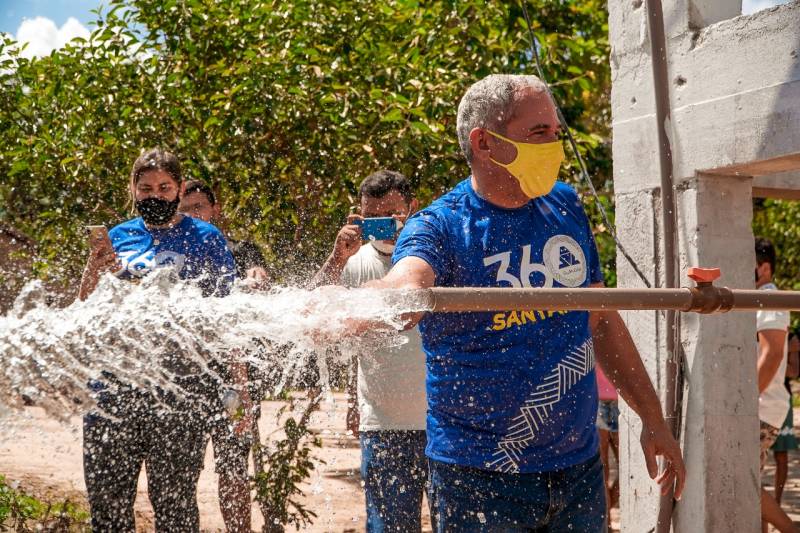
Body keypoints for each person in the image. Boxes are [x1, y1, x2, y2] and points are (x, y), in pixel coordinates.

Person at [356, 74, 684, 531]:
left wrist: (653, 418)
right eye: (538, 133)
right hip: (479, 477)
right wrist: (355, 308)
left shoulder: (564, 205)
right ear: (484, 143)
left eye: (555, 132)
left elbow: (601, 318)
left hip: (578, 469)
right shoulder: (441, 225)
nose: (555, 146)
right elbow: (406, 282)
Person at [78, 148, 235, 532]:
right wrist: (94, 268)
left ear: (180, 189)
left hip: (181, 393)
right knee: (109, 513)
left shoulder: (207, 238)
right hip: (112, 391)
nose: (155, 195)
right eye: (145, 188)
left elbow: (227, 315)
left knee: (175, 511)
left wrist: (235, 383)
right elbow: (84, 309)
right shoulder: (118, 236)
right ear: (132, 189)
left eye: (164, 187)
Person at [312, 170, 430, 531]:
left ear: (413, 208)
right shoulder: (354, 262)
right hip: (382, 423)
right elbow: (317, 316)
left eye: (393, 215)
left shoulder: (435, 253)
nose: (385, 225)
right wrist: (337, 258)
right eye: (373, 217)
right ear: (359, 216)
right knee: (388, 526)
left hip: (444, 419)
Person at [180, 180, 271, 533]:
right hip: (186, 378)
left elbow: (260, 276)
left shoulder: (241, 249)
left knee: (233, 466)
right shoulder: (173, 252)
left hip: (234, 379)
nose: (193, 215)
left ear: (215, 211)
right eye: (185, 210)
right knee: (183, 471)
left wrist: (256, 277)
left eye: (199, 208)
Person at [754, 237, 798, 533]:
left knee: (743, 481)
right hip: (761, 403)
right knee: (751, 479)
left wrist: (744, 401)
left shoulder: (768, 298)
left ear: (764, 268)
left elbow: (772, 354)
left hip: (760, 405)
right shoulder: (759, 298)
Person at [772, 331, 799, 505]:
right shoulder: (754, 332)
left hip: (781, 402)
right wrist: (784, 352)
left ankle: (777, 503)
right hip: (757, 400)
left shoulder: (791, 338)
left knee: (781, 456)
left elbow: (793, 372)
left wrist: (772, 356)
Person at [596, 365, 620, 529]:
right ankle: (607, 522)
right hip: (607, 400)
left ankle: (607, 517)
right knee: (604, 470)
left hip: (610, 400)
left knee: (604, 471)